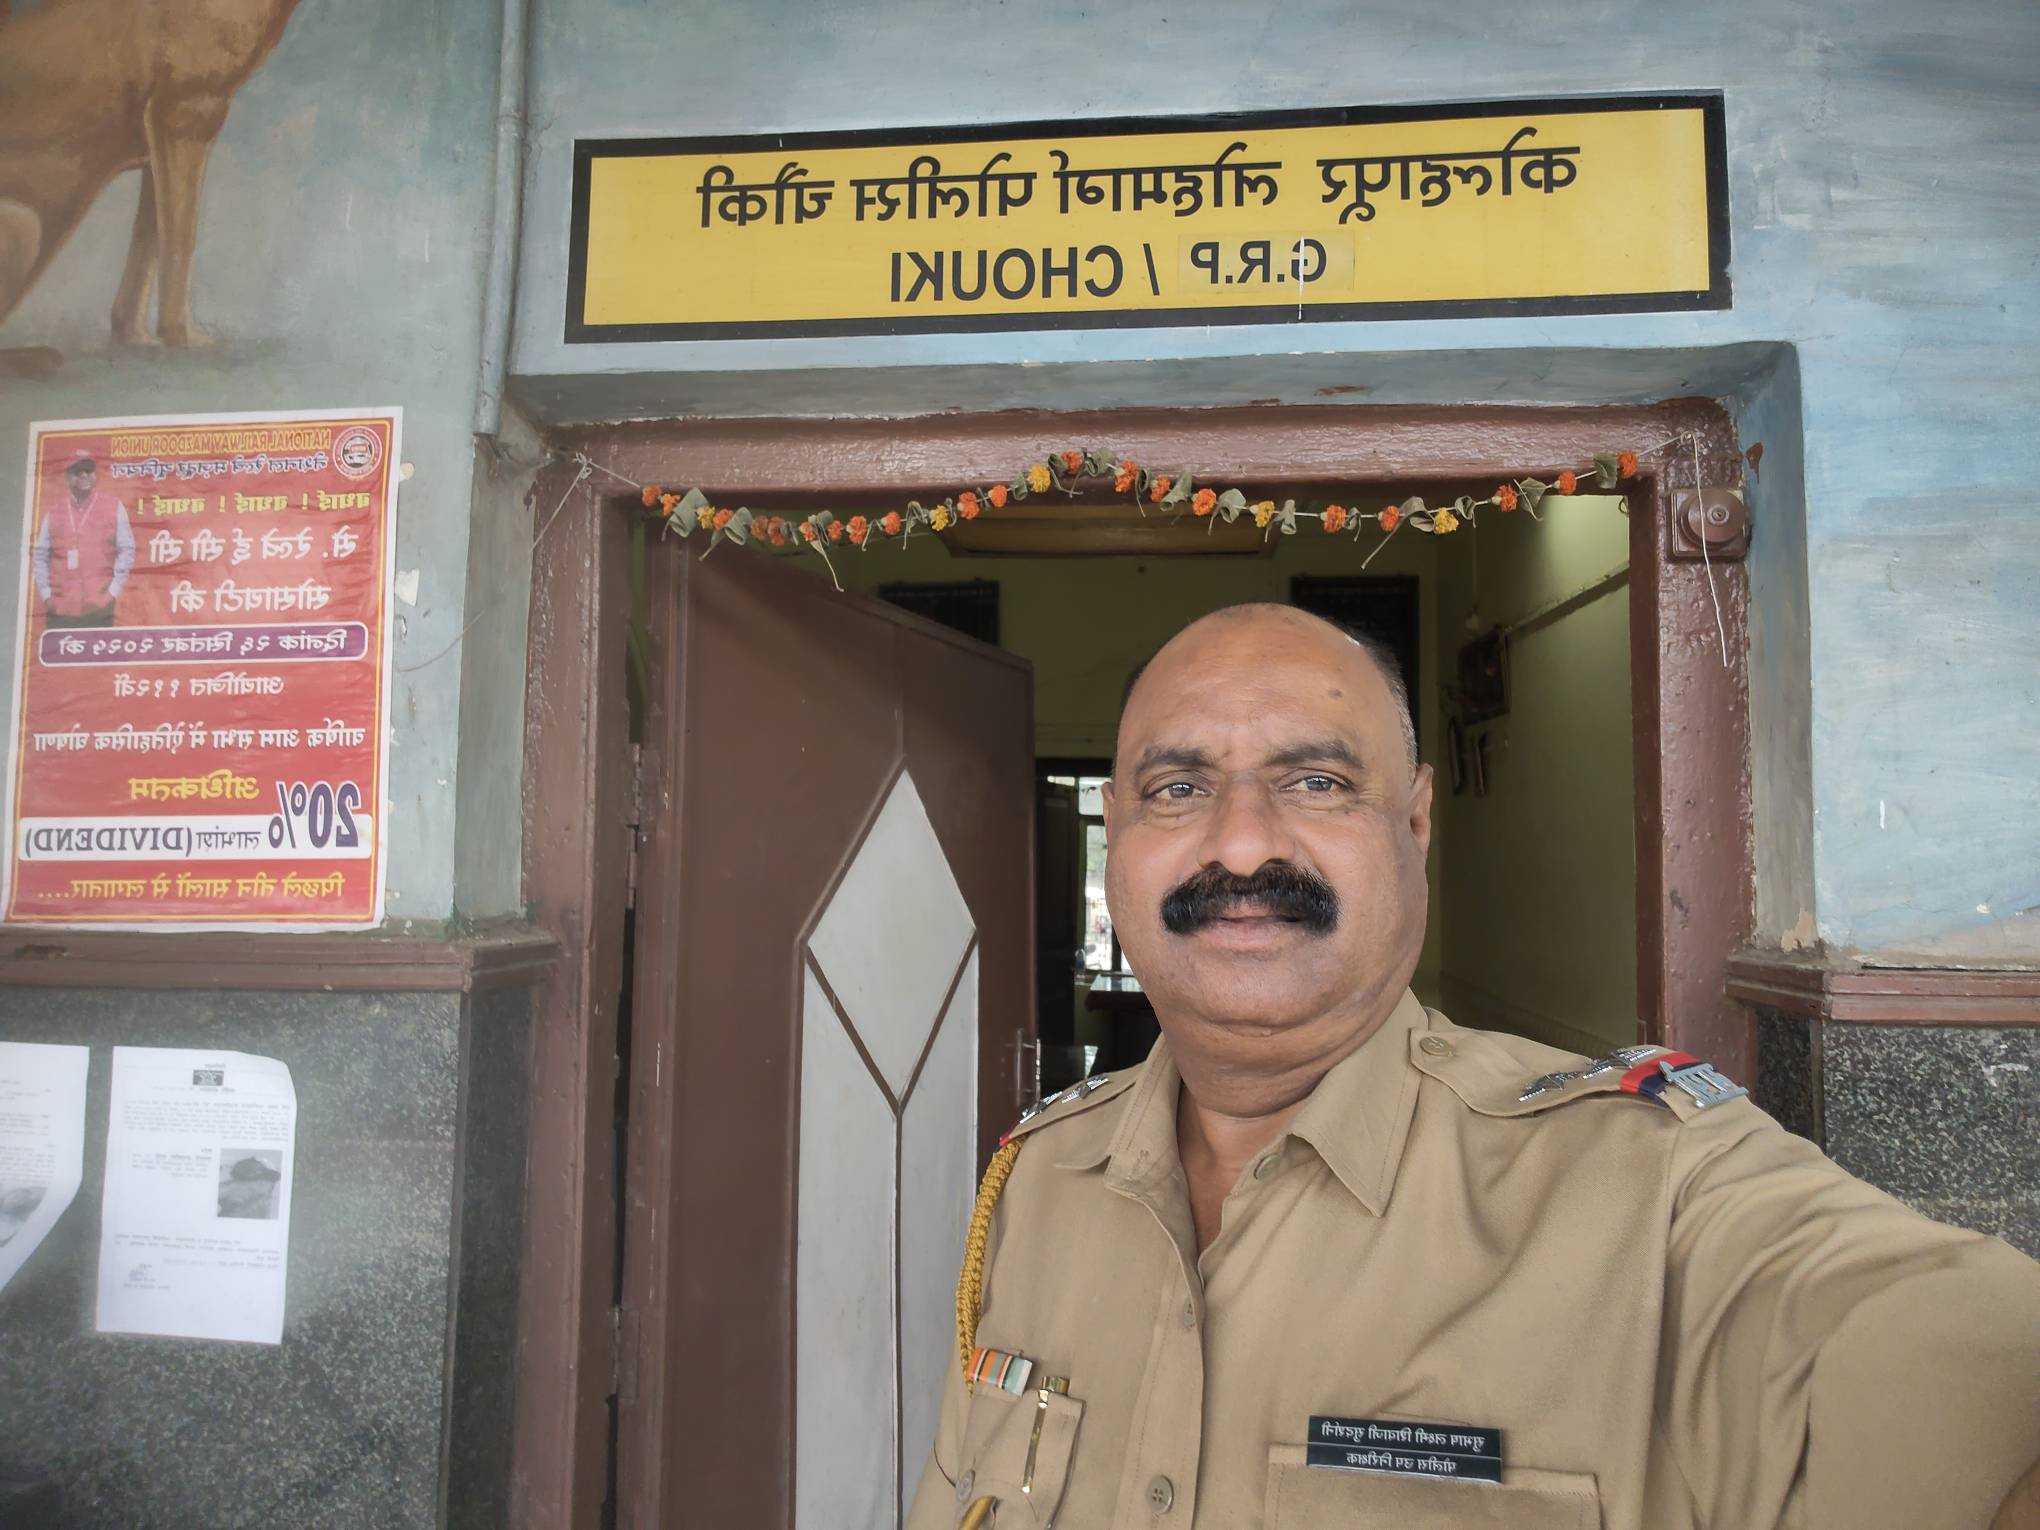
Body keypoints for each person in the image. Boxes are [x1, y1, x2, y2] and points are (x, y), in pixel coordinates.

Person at [907, 604, 2040, 1530]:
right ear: (1116, 829)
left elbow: (1947, 1360)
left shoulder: (1654, 1200)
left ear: (1416, 824)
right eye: (1177, 788)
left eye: (1316, 782)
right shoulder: (1036, 1184)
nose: (1242, 842)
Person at [32, 449, 134, 628]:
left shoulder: (113, 507)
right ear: (67, 477)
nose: (84, 475)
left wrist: (113, 592)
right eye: (77, 471)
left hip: (99, 607)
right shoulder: (54, 514)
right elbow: (40, 555)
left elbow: (127, 549)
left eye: (88, 470)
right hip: (60, 609)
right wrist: (46, 594)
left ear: (95, 475)